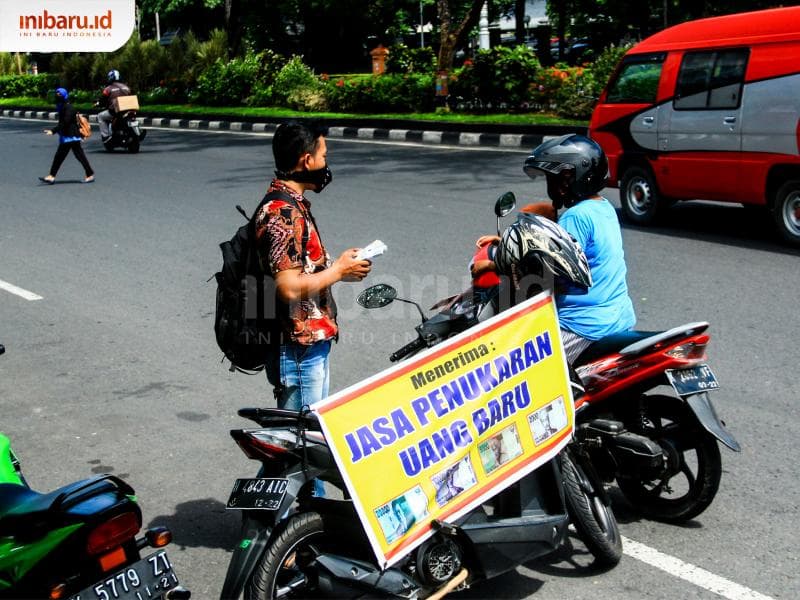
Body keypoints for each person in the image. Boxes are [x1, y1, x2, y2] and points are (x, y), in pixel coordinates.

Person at [473, 134, 635, 363]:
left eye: (553, 179)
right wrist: (508, 242)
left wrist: (493, 264)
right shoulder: (602, 208)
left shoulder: (576, 216)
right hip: (619, 316)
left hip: (581, 326)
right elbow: (557, 243)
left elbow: (545, 275)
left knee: (508, 369)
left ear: (571, 177)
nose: (552, 186)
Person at [255, 120, 371, 411]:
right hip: (297, 346)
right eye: (324, 157)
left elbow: (304, 265)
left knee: (303, 441)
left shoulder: (294, 205)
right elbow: (289, 287)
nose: (325, 164)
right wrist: (338, 272)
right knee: (300, 444)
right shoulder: (282, 213)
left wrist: (343, 266)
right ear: (306, 162)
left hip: (309, 341)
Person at [39, 87, 94, 184]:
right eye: (56, 94)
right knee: (78, 156)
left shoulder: (69, 107)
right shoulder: (64, 106)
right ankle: (89, 174)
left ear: (64, 96)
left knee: (61, 156)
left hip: (70, 136)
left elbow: (65, 122)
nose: (57, 96)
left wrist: (53, 131)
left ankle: (52, 176)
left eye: (59, 94)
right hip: (68, 135)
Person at [96, 69, 131, 142]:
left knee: (100, 116)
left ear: (111, 77)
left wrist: (98, 103)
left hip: (115, 111)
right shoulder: (126, 87)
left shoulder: (108, 89)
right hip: (128, 109)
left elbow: (103, 100)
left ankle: (105, 136)